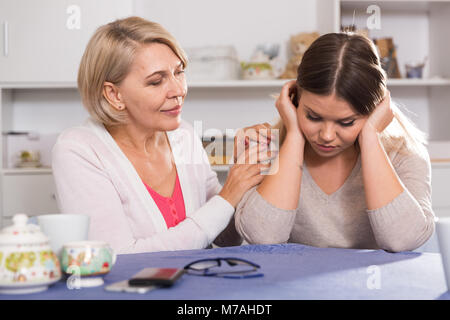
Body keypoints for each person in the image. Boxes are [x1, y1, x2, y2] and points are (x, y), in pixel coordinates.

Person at [52, 16, 267, 254]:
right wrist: (228, 196)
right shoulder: (79, 150)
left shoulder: (183, 135)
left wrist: (245, 175)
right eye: (156, 82)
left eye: (179, 72)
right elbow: (118, 257)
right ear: (114, 95)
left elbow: (225, 237)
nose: (178, 90)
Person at [234, 33, 435, 252]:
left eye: (347, 122)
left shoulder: (405, 154)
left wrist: (370, 138)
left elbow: (403, 241)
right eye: (313, 117)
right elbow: (264, 237)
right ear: (294, 100)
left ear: (376, 111)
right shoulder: (265, 148)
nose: (327, 135)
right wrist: (294, 137)